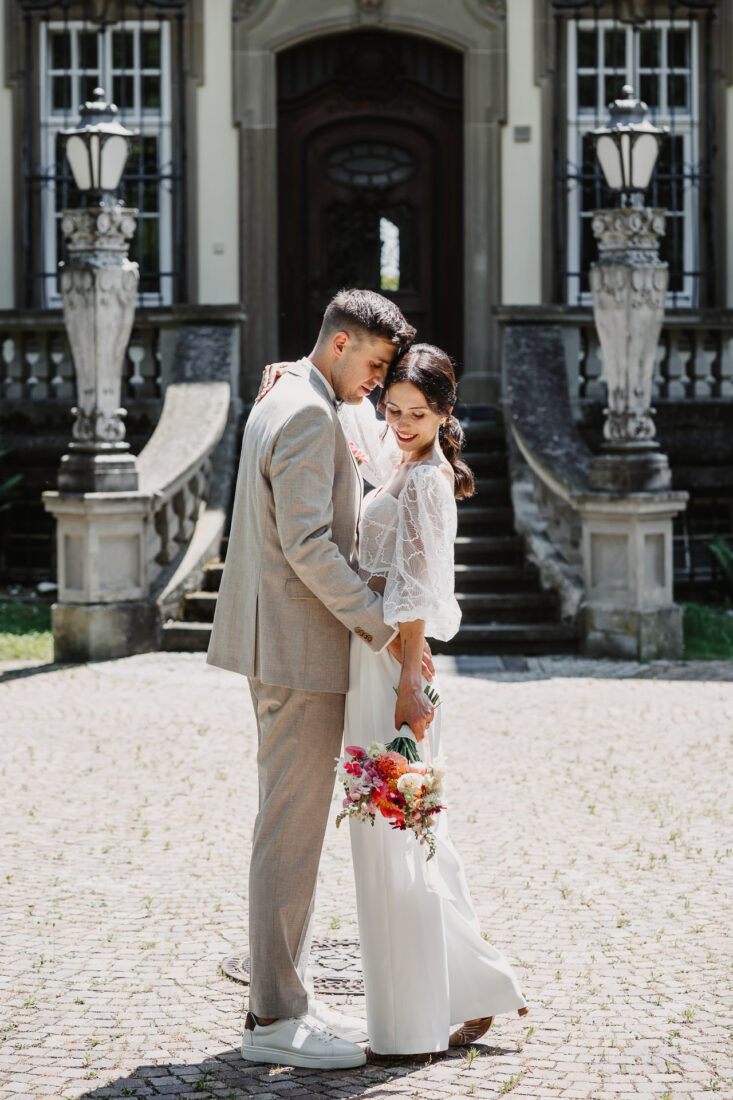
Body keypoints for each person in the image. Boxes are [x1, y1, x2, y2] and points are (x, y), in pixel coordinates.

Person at [206, 289, 435, 1070]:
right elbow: (308, 546)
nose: (377, 385)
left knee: (290, 824)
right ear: (338, 345)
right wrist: (381, 623)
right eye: (372, 365)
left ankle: (284, 995)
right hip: (296, 653)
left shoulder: (291, 394)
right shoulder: (304, 412)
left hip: (280, 645)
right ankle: (272, 1015)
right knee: (290, 831)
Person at [340, 343, 529, 1055]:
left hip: (393, 670)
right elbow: (357, 429)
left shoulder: (425, 480)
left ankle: (422, 1012)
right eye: (391, 410)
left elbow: (416, 591)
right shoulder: (399, 459)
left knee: (399, 831)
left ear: (445, 412)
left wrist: (408, 687)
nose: (399, 423)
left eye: (416, 413)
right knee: (401, 833)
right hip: (377, 658)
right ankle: (472, 986)